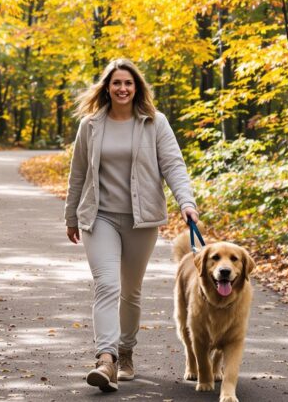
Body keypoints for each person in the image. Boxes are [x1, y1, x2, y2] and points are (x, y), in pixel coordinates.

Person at [64, 58, 199, 393]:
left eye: (128, 83)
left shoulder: (155, 123)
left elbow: (173, 165)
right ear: (106, 88)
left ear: (137, 87)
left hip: (142, 220)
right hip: (100, 217)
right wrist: (71, 216)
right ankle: (106, 359)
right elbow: (77, 174)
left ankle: (126, 351)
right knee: (107, 285)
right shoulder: (91, 125)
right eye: (116, 83)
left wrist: (187, 202)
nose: (122, 88)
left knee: (131, 291)